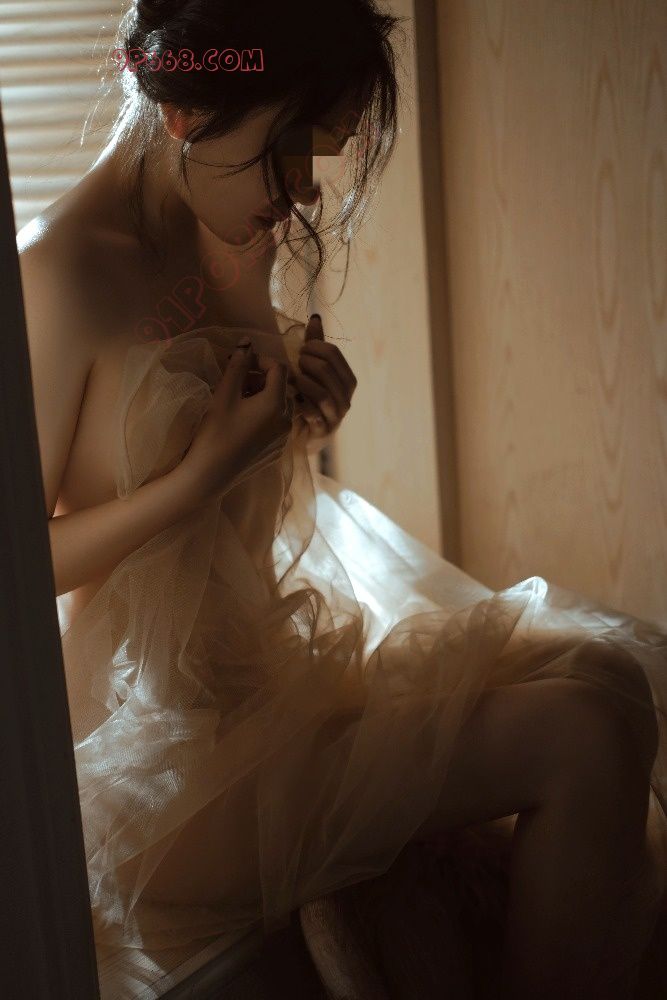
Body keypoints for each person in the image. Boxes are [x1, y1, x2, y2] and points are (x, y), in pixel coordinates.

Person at [15, 1, 667, 996]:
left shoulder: (231, 227)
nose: (304, 190)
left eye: (318, 151)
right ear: (185, 112)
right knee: (582, 738)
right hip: (155, 767)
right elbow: (20, 567)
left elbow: (228, 485)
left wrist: (305, 419)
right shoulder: (60, 275)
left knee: (609, 679)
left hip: (269, 685)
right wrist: (195, 479)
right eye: (289, 148)